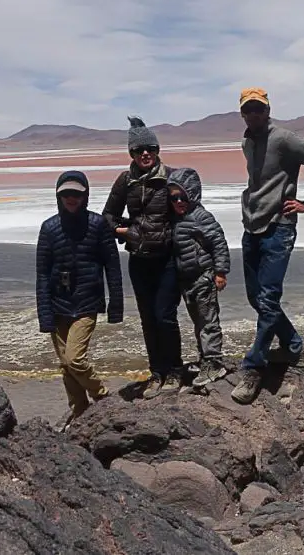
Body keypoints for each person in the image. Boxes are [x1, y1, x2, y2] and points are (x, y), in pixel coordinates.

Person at [230, 87, 304, 405]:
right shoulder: (246, 141)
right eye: (248, 110)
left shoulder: (284, 139)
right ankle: (293, 346)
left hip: (279, 228)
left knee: (267, 299)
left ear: (268, 110)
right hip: (251, 226)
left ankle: (253, 367)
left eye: (258, 109)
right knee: (256, 297)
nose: (253, 114)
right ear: (242, 113)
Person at [36, 170, 123, 428]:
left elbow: (113, 267)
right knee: (65, 365)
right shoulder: (49, 228)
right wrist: (45, 315)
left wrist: (115, 306)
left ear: (85, 194)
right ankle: (80, 409)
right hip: (58, 303)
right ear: (58, 196)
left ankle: (101, 394)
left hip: (87, 301)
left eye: (76, 193)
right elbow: (42, 275)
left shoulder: (97, 225)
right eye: (66, 194)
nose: (71, 198)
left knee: (74, 358)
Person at [103, 116, 183, 399]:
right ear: (132, 154)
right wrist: (125, 230)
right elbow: (108, 216)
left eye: (149, 148)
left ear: (157, 150)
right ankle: (157, 373)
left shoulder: (172, 177)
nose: (145, 153)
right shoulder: (126, 180)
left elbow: (188, 213)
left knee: (165, 316)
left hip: (167, 259)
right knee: (148, 319)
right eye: (139, 150)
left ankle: (175, 371)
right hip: (139, 260)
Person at [167, 167, 231, 388]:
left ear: (192, 194)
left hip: (203, 278)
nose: (178, 202)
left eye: (182, 196)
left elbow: (219, 243)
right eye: (173, 197)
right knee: (198, 323)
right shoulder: (176, 218)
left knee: (208, 322)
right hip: (187, 281)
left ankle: (214, 363)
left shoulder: (201, 217)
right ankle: (205, 358)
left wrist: (220, 272)